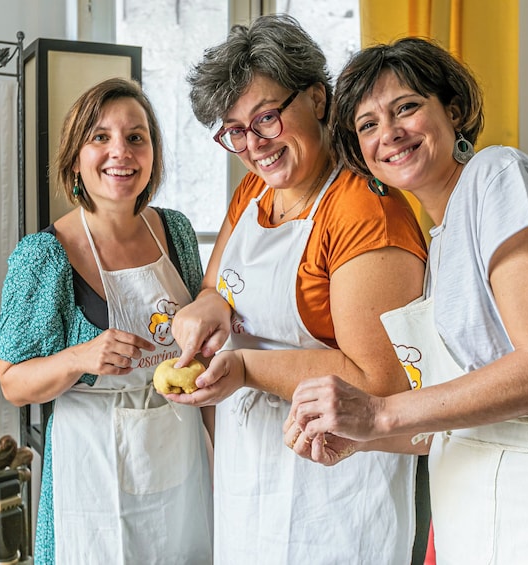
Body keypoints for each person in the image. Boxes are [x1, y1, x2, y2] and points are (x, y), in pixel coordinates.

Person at [287, 37, 528, 564]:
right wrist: (363, 437)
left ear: (455, 110)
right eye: (368, 124)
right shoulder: (441, 240)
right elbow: (464, 408)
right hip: (483, 515)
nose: (390, 133)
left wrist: (380, 412)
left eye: (407, 107)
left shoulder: (500, 177)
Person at [167, 14, 428, 565]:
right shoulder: (254, 194)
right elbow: (219, 287)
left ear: (318, 98)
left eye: (265, 118)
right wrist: (207, 303)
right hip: (252, 472)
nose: (253, 145)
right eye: (234, 130)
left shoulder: (364, 211)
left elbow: (378, 384)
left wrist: (244, 370)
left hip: (336, 491)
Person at [0, 77, 213, 565]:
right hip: (91, 472)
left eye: (137, 137)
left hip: (182, 451)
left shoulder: (174, 230)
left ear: (152, 152)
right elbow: (12, 383)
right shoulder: (44, 256)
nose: (122, 152)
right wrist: (79, 356)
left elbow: (203, 338)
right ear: (75, 157)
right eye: (100, 137)